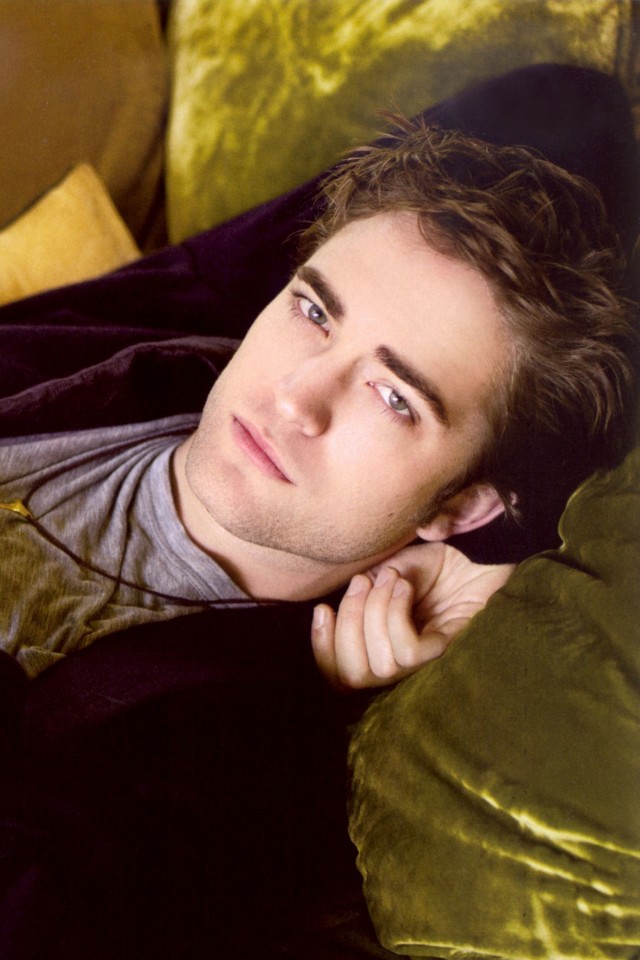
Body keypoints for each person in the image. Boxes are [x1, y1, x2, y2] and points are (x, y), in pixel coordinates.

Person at [0, 66, 636, 959]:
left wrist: (502, 548)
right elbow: (568, 103)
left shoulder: (232, 752)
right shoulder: (176, 326)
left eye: (394, 397)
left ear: (464, 504)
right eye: (312, 311)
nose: (296, 396)